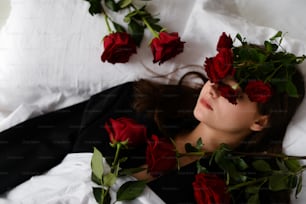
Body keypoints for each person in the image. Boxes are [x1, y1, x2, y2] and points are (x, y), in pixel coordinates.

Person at [0, 32, 305, 204]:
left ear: (261, 121)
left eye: (235, 91)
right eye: (219, 77)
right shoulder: (138, 104)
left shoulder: (243, 192)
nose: (214, 89)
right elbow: (42, 140)